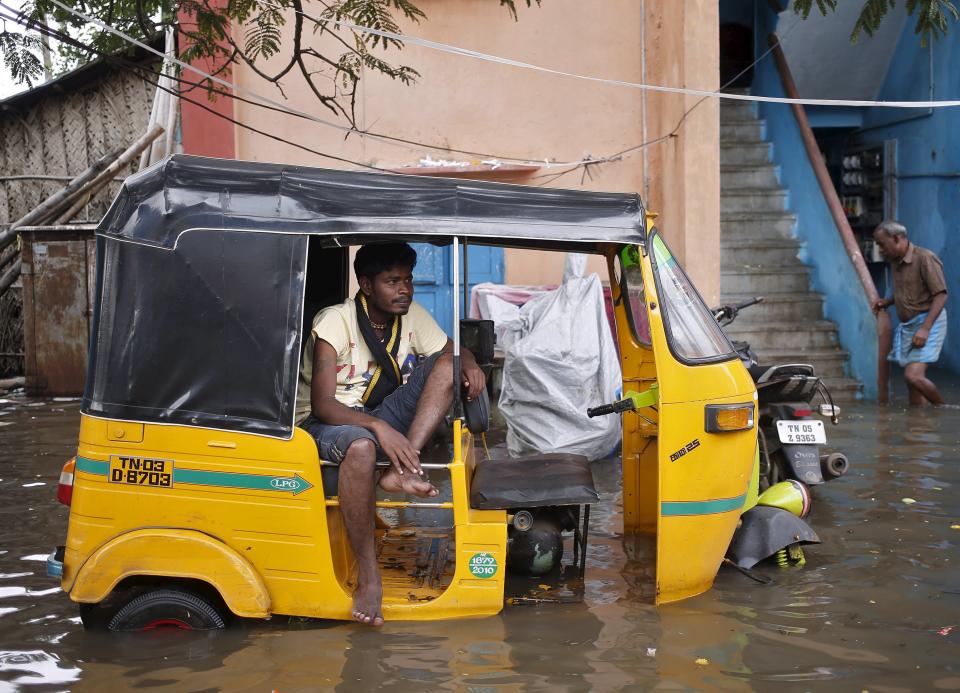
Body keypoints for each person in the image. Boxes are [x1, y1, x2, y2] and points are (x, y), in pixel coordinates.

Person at [295, 242, 485, 626]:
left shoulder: (412, 315)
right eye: (392, 281)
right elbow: (323, 405)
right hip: (327, 423)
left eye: (408, 280)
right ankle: (368, 573)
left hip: (375, 415)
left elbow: (452, 351)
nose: (405, 289)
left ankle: (404, 470)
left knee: (446, 364)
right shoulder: (335, 320)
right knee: (362, 447)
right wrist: (380, 427)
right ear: (366, 284)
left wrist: (470, 364)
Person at [871, 221, 948, 406]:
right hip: (909, 325)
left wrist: (925, 329)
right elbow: (905, 291)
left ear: (897, 238)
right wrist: (887, 301)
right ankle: (917, 426)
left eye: (881, 243)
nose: (880, 249)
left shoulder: (925, 258)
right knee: (911, 383)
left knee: (913, 376)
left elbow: (941, 295)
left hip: (929, 321)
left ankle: (945, 410)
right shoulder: (895, 261)